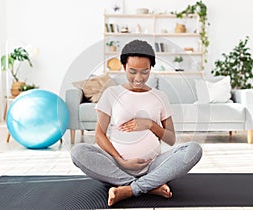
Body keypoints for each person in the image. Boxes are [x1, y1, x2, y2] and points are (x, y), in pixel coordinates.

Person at [71, 39, 202, 206]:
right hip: (115, 166)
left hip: (153, 165)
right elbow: (99, 135)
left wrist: (150, 124)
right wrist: (120, 160)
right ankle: (148, 186)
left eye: (145, 72)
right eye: (132, 71)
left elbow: (171, 139)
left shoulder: (160, 96)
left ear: (151, 69)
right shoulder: (111, 93)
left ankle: (128, 189)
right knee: (78, 151)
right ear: (124, 67)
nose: (139, 78)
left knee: (193, 149)